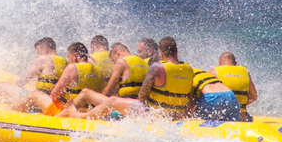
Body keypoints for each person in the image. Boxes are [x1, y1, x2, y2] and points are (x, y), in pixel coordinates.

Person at [59, 36, 192, 121]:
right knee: (91, 94)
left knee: (112, 101)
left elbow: (142, 96)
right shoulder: (188, 69)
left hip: (153, 114)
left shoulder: (157, 68)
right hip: (175, 115)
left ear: (162, 53)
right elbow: (189, 98)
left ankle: (78, 116)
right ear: (176, 51)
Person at [11, 42, 100, 116]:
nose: (68, 61)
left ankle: (9, 112)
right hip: (88, 111)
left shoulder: (72, 68)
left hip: (66, 112)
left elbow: (54, 94)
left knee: (34, 94)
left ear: (75, 56)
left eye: (69, 57)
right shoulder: (98, 70)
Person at [0, 37, 66, 104]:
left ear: (45, 48)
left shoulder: (44, 59)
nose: (37, 56)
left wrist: (15, 88)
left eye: (38, 52)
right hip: (50, 100)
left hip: (38, 100)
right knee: (9, 97)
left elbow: (25, 78)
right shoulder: (64, 61)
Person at [209, 52, 258, 122]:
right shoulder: (245, 72)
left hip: (221, 118)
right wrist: (238, 105)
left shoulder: (214, 72)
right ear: (235, 62)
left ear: (220, 62)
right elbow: (254, 97)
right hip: (241, 118)